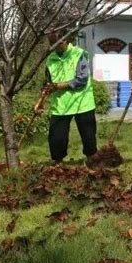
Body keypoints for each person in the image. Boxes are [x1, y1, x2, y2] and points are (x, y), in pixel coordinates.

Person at [34, 29, 101, 166]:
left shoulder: (78, 54)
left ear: (66, 40)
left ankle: (92, 161)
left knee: (89, 137)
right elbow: (47, 84)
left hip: (82, 102)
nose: (55, 47)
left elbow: (81, 80)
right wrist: (40, 102)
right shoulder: (50, 59)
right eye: (52, 44)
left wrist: (58, 86)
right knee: (56, 138)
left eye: (58, 43)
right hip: (61, 105)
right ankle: (57, 164)